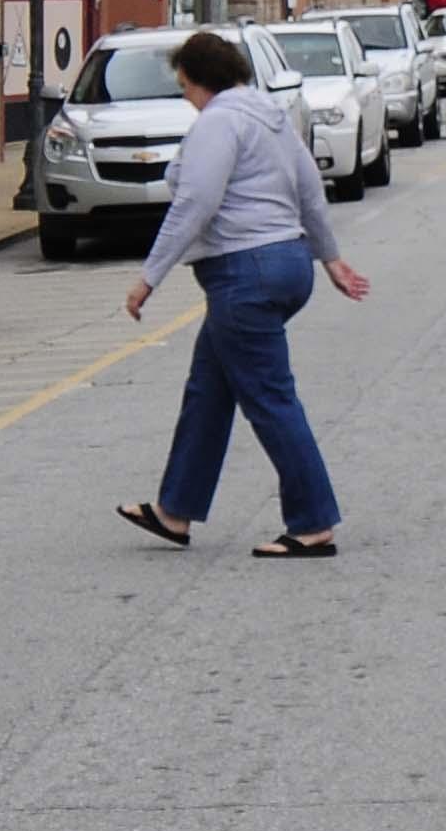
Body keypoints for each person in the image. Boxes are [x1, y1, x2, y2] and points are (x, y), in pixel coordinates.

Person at [116, 28, 369, 558]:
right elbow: (308, 191)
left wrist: (149, 278)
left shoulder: (219, 123)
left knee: (271, 399)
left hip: (245, 273)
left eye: (184, 88)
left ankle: (313, 523)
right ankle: (174, 512)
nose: (186, 98)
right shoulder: (271, 115)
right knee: (208, 391)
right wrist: (330, 258)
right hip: (287, 263)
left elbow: (195, 203)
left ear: (199, 82)